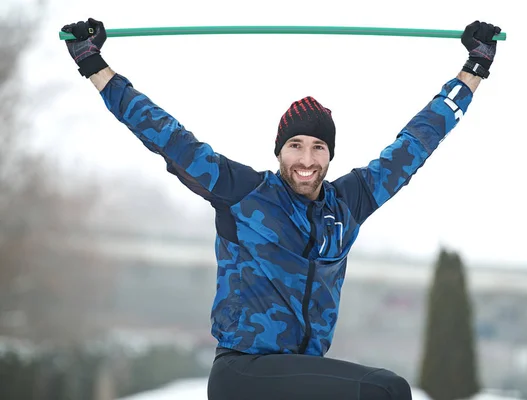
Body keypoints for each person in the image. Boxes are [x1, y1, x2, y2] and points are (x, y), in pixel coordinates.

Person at [61, 18, 501, 400]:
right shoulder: (243, 193)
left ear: (330, 156)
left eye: (318, 148)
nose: (306, 161)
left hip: (298, 377)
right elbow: (164, 134)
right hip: (244, 374)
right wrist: (93, 64)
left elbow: (418, 141)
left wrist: (473, 70)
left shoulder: (350, 203)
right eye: (295, 146)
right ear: (279, 152)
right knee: (387, 391)